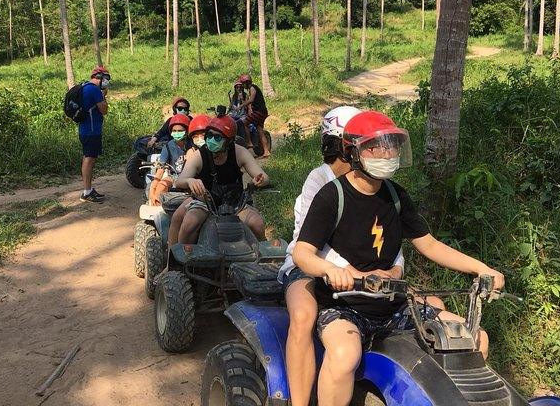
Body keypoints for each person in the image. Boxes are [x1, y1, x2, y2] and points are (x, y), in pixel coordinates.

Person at [292, 111, 505, 406]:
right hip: (345, 306)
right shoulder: (332, 195)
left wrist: (483, 268)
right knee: (344, 355)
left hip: (394, 304)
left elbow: (429, 244)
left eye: (391, 145)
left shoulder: (396, 195)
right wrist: (330, 269)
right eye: (375, 147)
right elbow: (302, 252)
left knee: (473, 339)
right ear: (351, 151)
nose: (387, 153)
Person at [277, 106, 403, 406]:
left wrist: (394, 269)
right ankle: (298, 400)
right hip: (308, 267)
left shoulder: (377, 186)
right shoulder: (319, 181)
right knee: (304, 315)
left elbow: (389, 239)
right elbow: (305, 245)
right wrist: (350, 271)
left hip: (363, 276)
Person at [174, 114, 269, 242]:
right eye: (209, 136)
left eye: (217, 137)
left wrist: (260, 180)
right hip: (205, 203)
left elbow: (263, 176)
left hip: (235, 203)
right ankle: (180, 258)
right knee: (189, 223)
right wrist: (189, 180)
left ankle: (264, 256)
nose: (211, 140)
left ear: (229, 140)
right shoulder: (198, 156)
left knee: (257, 223)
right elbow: (179, 181)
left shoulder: (239, 152)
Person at [167, 114, 211, 247]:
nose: (199, 139)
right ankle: (173, 257)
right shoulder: (192, 154)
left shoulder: (228, 151)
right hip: (199, 198)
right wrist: (189, 182)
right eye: (195, 136)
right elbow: (181, 180)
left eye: (203, 135)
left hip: (223, 198)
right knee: (177, 218)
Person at [79, 66, 110, 203]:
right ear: (99, 77)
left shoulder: (85, 87)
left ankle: (89, 190)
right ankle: (87, 192)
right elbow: (104, 110)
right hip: (91, 131)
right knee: (89, 159)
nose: (107, 81)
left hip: (86, 129)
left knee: (89, 158)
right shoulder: (94, 90)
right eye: (107, 78)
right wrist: (103, 96)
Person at [148, 114, 191, 206]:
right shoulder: (168, 146)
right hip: (173, 177)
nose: (177, 133)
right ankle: (159, 208)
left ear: (187, 131)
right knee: (161, 186)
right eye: (174, 131)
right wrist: (154, 186)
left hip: (190, 177)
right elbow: (161, 168)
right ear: (171, 132)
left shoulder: (192, 145)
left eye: (180, 131)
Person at [236, 74, 271, 158]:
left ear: (246, 83)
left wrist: (240, 106)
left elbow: (251, 100)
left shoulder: (252, 88)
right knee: (260, 132)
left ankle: (249, 142)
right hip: (262, 112)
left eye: (243, 84)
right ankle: (266, 152)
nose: (243, 86)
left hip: (259, 112)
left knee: (244, 122)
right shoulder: (252, 88)